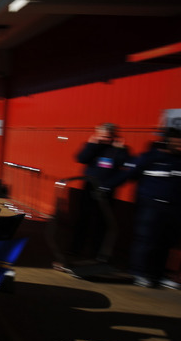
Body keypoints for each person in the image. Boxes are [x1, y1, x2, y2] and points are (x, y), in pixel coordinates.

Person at [105, 128, 181, 288]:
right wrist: (105, 187)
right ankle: (138, 273)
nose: (179, 146)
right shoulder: (149, 158)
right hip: (150, 207)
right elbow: (127, 174)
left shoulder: (179, 161)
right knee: (146, 241)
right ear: (166, 142)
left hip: (173, 208)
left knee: (165, 243)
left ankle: (158, 276)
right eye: (176, 142)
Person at [70, 123, 130, 261]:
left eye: (107, 137)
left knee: (102, 222)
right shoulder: (93, 146)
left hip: (107, 190)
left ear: (113, 136)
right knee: (83, 219)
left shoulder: (120, 149)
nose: (105, 139)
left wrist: (119, 150)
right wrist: (92, 145)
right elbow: (81, 159)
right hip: (89, 187)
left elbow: (125, 165)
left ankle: (96, 252)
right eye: (102, 136)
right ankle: (75, 249)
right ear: (97, 134)